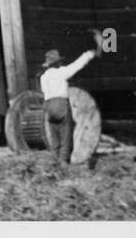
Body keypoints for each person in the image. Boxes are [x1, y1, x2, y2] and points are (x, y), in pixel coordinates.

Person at [39, 30, 103, 163]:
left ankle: (53, 163)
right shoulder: (61, 72)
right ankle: (63, 165)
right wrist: (90, 54)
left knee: (54, 138)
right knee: (66, 136)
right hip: (60, 105)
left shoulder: (43, 77)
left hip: (48, 107)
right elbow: (77, 65)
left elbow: (45, 92)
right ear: (57, 64)